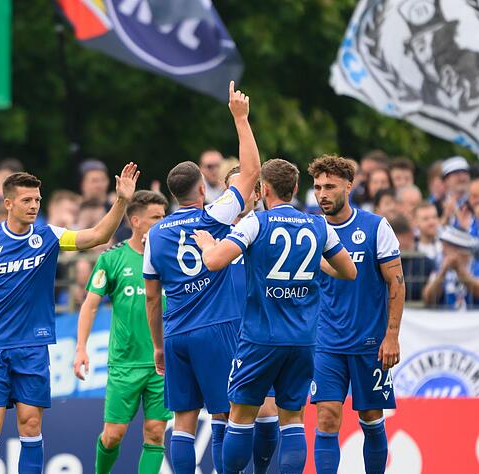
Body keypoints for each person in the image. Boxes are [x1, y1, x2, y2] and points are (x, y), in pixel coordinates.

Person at [191, 159, 356, 474]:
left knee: (240, 416)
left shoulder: (256, 222)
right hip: (304, 339)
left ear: (263, 189)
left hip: (260, 337)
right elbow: (348, 272)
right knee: (292, 418)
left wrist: (207, 245)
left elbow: (213, 262)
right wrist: (309, 265)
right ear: (295, 189)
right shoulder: (318, 225)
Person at [0, 164, 139, 474]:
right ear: (8, 203)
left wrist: (121, 200)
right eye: (27, 200)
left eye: (37, 200)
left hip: (32, 347)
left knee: (31, 423)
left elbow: (97, 235)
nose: (34, 206)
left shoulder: (48, 235)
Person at [143, 82, 260, 474]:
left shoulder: (153, 235)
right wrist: (240, 119)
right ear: (199, 188)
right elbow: (251, 175)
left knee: (183, 422)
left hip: (176, 334)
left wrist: (158, 347)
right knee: (224, 415)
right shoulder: (215, 215)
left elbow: (151, 297)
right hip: (217, 328)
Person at [307, 154, 405, 474]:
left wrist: (391, 336)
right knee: (327, 418)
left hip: (369, 342)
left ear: (349, 186)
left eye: (330, 187)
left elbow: (397, 282)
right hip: (326, 343)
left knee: (371, 418)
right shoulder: (311, 229)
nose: (323, 193)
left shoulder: (376, 226)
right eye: (318, 186)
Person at [72, 190, 171, 474]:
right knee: (113, 435)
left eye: (164, 217)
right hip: (124, 363)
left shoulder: (171, 258)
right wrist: (81, 348)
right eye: (155, 218)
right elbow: (90, 305)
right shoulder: (112, 259)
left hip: (161, 365)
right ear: (136, 220)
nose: (161, 222)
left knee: (155, 432)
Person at [223, 166, 280, 474]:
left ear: (258, 193)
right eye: (235, 188)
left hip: (260, 333)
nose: (241, 193)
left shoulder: (269, 228)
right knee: (224, 414)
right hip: (223, 333)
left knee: (267, 408)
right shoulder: (217, 231)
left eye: (247, 187)